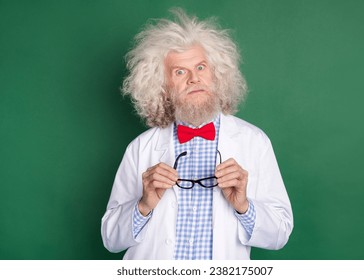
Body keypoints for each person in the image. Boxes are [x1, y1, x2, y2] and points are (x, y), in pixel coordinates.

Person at [101, 9, 293, 260]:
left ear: (217, 73)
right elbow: (110, 239)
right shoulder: (141, 148)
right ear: (162, 87)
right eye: (179, 72)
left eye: (201, 67)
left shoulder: (254, 142)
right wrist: (143, 205)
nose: (194, 79)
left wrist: (243, 206)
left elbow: (280, 234)